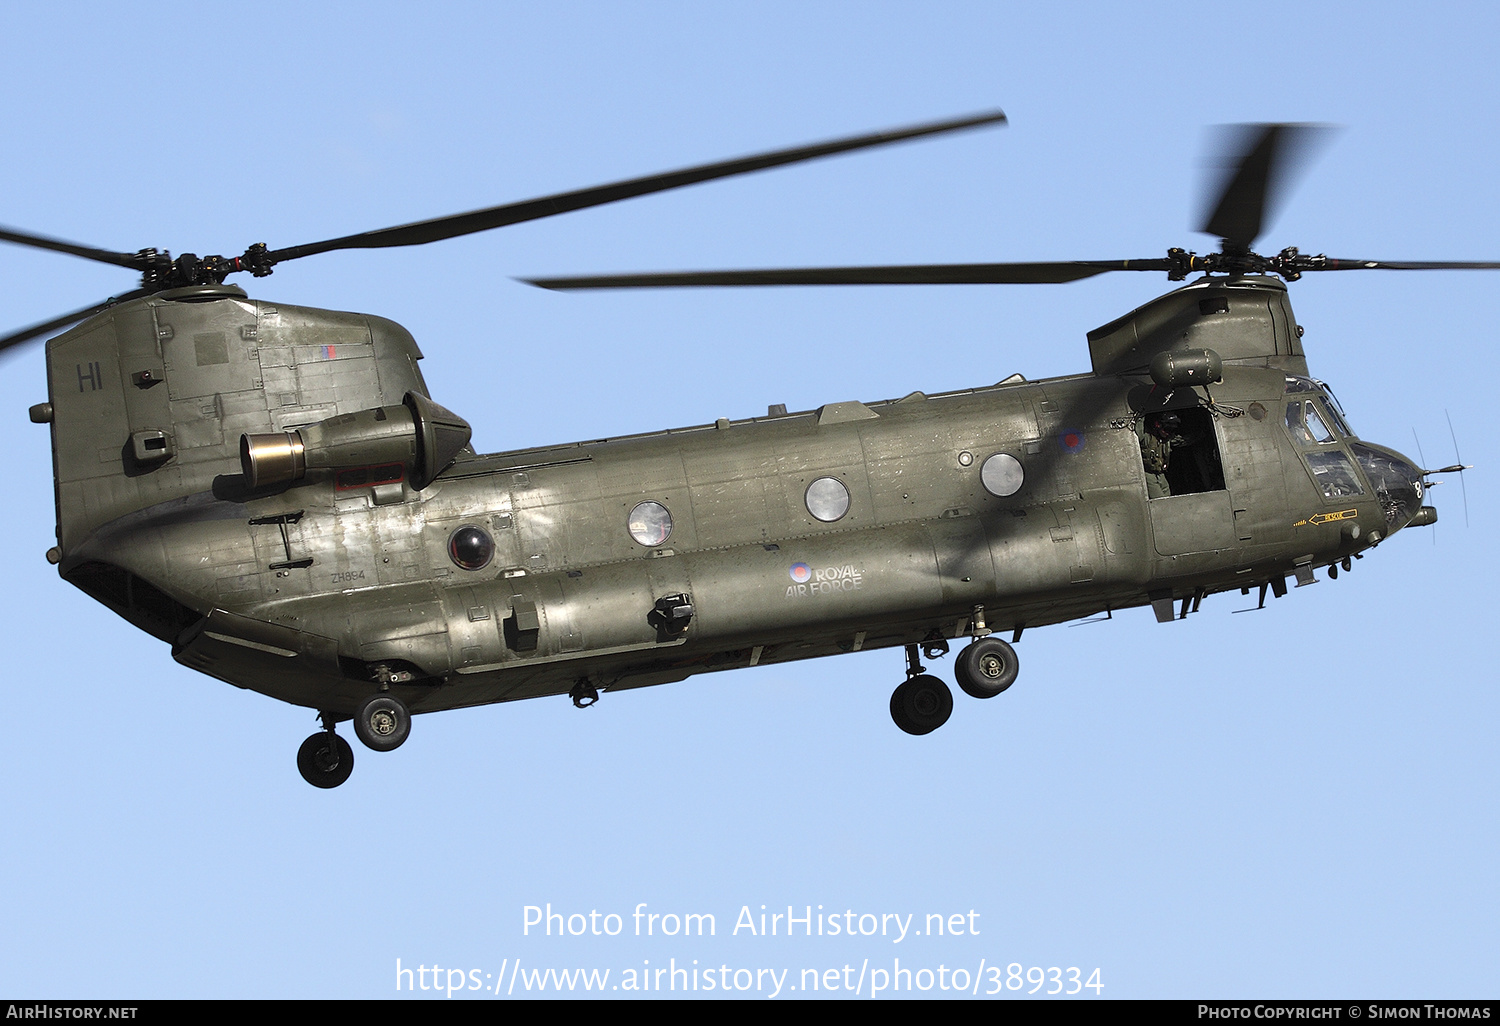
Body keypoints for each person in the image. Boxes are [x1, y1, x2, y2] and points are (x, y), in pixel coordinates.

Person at [1138, 411, 1186, 498]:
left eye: (1172, 430)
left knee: (1167, 497)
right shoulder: (1146, 437)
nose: (1168, 433)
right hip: (1148, 474)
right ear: (1158, 425)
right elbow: (1138, 427)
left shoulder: (1167, 440)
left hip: (1160, 474)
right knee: (1159, 499)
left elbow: (1182, 441)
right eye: (1167, 429)